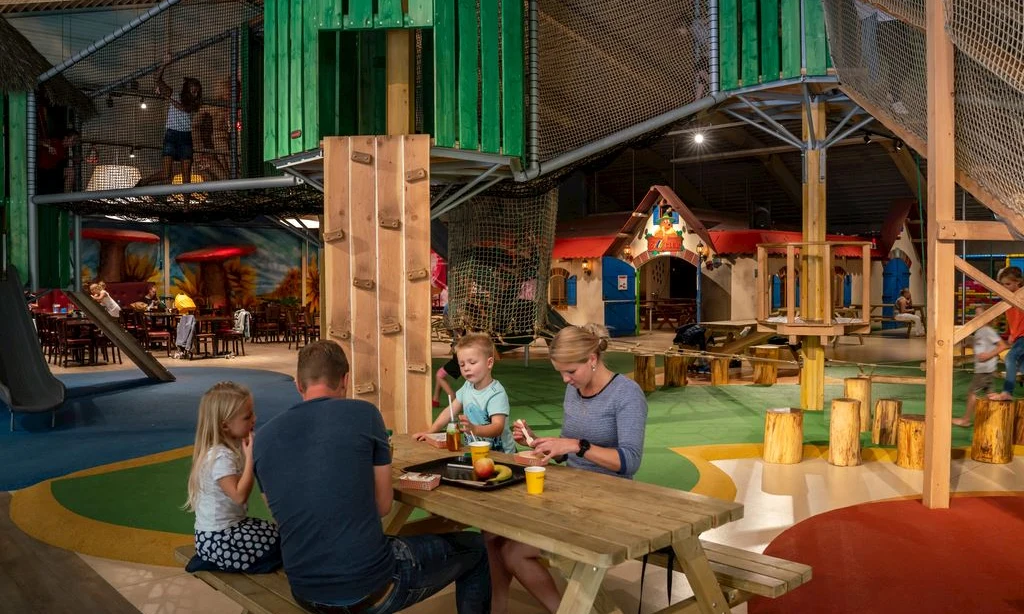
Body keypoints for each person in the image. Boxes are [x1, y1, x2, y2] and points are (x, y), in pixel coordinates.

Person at [254, 340, 491, 613]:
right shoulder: (363, 415)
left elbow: (284, 517)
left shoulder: (263, 438)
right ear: (345, 379)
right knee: (475, 548)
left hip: (304, 590)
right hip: (370, 589)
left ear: (298, 384)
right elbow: (382, 506)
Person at [489, 324, 648, 614]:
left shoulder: (627, 394)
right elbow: (568, 447)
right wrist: (540, 443)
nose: (565, 379)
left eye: (570, 371)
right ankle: (498, 608)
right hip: (569, 492)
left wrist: (577, 446)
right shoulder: (574, 392)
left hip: (610, 499)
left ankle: (562, 610)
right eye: (560, 372)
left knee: (514, 552)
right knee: (490, 534)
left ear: (592, 359)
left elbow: (630, 460)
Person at [184, 381, 281, 572]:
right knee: (277, 549)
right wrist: (251, 457)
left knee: (278, 536)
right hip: (218, 538)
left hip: (231, 527)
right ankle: (212, 560)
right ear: (225, 426)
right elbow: (238, 495)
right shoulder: (220, 456)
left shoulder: (233, 446)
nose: (254, 419)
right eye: (247, 417)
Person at [414, 332, 516, 454]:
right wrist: (430, 431)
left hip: (501, 455)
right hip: (476, 451)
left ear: (489, 363)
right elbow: (450, 411)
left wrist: (475, 429)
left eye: (472, 363)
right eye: (462, 365)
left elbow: (497, 427)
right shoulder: (467, 387)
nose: (466, 368)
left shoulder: (496, 393)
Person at [142, 53, 202, 186]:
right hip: (171, 135)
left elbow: (183, 108)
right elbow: (157, 79)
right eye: (193, 91)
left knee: (186, 175)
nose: (196, 94)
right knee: (166, 173)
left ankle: (186, 206)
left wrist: (166, 98)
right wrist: (164, 63)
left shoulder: (194, 103)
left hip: (185, 136)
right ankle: (143, 182)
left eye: (197, 92)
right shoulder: (174, 93)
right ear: (187, 89)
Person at [954, 305, 1007, 427]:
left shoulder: (988, 330)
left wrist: (989, 355)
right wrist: (969, 344)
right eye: (975, 315)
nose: (976, 317)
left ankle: (966, 420)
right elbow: (981, 346)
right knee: (990, 394)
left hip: (984, 369)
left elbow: (1003, 345)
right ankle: (996, 421)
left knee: (972, 392)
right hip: (984, 369)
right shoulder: (980, 331)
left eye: (980, 315)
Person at [990, 267, 1024, 401]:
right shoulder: (1006, 300)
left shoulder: (1021, 295)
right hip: (1018, 336)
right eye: (1002, 284)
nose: (1004, 287)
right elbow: (1013, 319)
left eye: (1008, 284)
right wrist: (1010, 334)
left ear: (1018, 282)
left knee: (1010, 357)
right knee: (1022, 365)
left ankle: (1007, 392)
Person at [431, 330, 464, 408]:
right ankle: (435, 400)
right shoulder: (459, 330)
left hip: (460, 357)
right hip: (459, 356)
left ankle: (453, 399)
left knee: (439, 375)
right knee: (440, 374)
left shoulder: (463, 330)